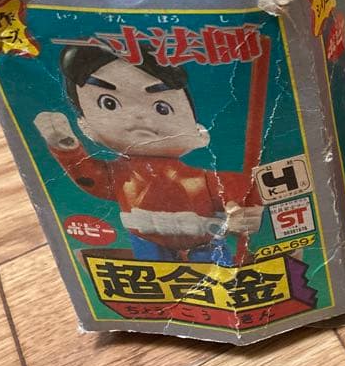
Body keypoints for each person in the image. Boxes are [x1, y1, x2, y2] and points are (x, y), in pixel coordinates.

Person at [34, 46, 264, 263]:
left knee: (215, 268)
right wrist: (67, 148)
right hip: (145, 240)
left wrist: (242, 210)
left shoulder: (202, 179)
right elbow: (90, 177)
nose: (138, 116)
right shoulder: (119, 174)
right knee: (153, 272)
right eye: (109, 103)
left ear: (198, 132)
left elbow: (242, 188)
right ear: (85, 126)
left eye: (162, 108)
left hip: (204, 241)